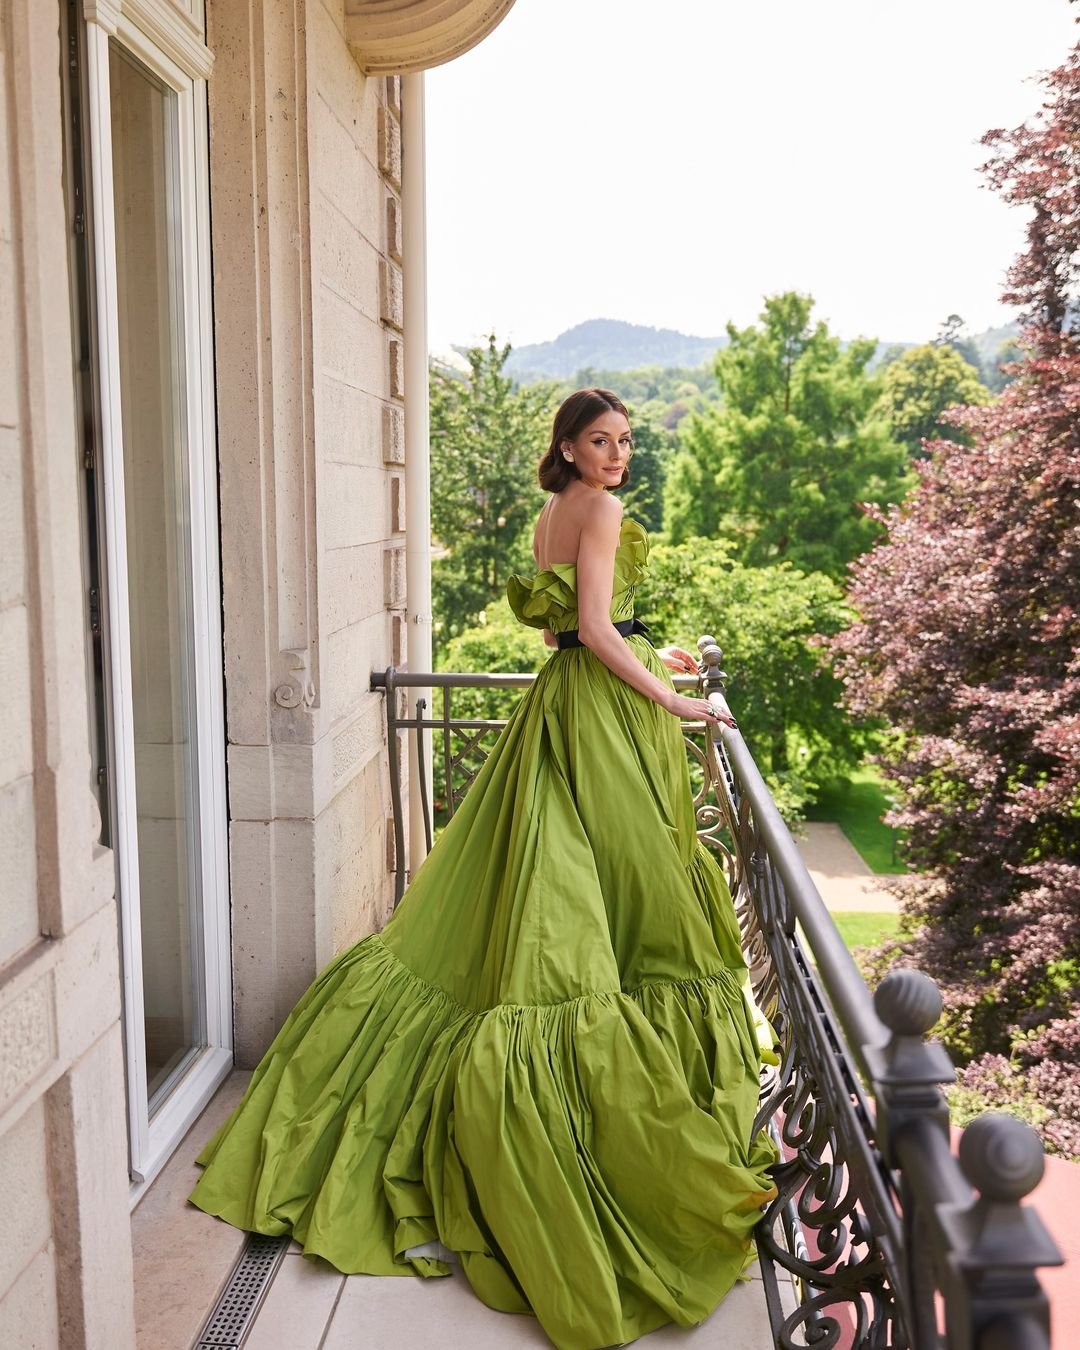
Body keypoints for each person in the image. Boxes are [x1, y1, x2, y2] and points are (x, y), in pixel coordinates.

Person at [189, 388, 779, 1350]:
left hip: (563, 702)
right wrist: (679, 704)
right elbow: (591, 630)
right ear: (570, 447)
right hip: (599, 713)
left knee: (580, 888)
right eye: (603, 441)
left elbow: (584, 624)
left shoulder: (555, 509)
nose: (620, 455)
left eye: (627, 442)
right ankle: (617, 1098)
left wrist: (646, 646)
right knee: (627, 893)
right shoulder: (602, 507)